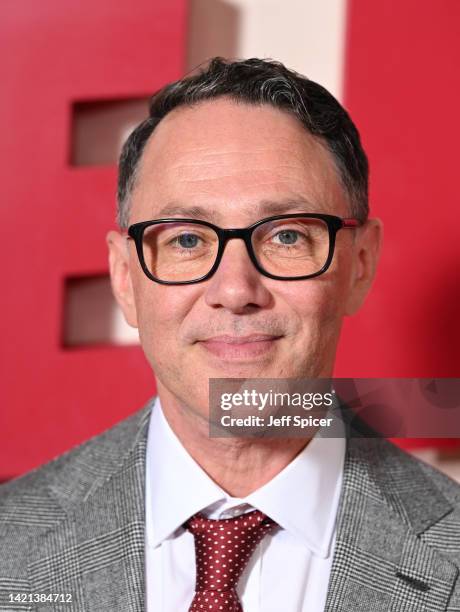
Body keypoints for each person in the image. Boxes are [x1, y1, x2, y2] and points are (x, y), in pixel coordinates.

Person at [1, 57, 459, 612]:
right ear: (124, 278)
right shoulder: (11, 546)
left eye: (287, 235)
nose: (235, 289)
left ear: (359, 264)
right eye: (187, 240)